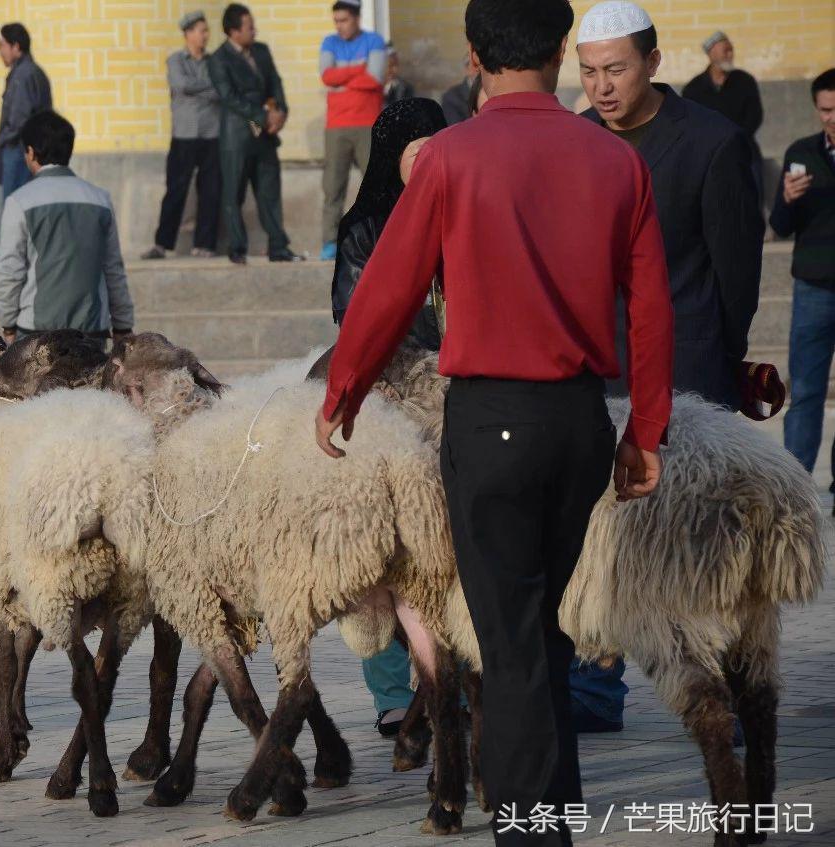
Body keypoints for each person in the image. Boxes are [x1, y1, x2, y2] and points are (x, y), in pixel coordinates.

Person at [315, 1, 673, 843]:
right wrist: (644, 430)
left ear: (473, 55)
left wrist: (344, 390)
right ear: (560, 50)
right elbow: (651, 310)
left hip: (488, 422)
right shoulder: (614, 159)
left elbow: (389, 286)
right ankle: (549, 817)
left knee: (507, 645)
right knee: (546, 640)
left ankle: (526, 829)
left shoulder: (451, 157)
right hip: (580, 421)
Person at [574, 0, 763, 736]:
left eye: (615, 70)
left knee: (696, 541)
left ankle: (726, 686)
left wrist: (719, 365)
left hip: (687, 376)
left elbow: (735, 272)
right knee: (599, 539)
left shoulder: (711, 143)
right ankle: (592, 690)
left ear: (652, 63)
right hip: (594, 372)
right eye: (588, 73)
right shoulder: (574, 141)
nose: (601, 87)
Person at [328, 98, 448, 735]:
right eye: (417, 150)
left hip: (454, 395)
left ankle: (446, 679)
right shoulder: (367, 224)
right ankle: (390, 693)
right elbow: (355, 315)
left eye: (438, 147)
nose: (430, 160)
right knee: (377, 553)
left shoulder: (463, 207)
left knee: (440, 553)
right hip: (390, 396)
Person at [0, 111, 134, 349]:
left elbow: (10, 270)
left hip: (36, 333)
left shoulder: (19, 201)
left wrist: (8, 324)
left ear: (30, 152)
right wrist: (123, 325)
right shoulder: (100, 199)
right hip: (92, 332)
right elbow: (113, 268)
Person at [774, 69, 835, 505]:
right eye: (826, 110)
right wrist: (788, 200)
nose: (832, 118)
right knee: (808, 390)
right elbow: (779, 226)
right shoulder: (801, 152)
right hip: (814, 288)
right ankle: (793, 490)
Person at [208, 3, 303, 265]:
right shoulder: (218, 59)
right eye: (249, 27)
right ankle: (238, 248)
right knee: (234, 193)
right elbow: (229, 97)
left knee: (270, 191)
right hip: (237, 138)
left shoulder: (261, 51)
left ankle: (279, 246)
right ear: (233, 31)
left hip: (266, 136)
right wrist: (262, 116)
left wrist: (281, 112)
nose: (254, 30)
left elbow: (275, 81)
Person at [141, 11, 222, 261]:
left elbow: (221, 91)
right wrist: (207, 89)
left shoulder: (215, 62)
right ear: (187, 34)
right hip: (184, 135)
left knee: (210, 191)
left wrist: (201, 89)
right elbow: (180, 85)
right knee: (176, 190)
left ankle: (205, 244)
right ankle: (162, 244)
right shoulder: (175, 60)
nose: (205, 35)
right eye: (200, 30)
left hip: (211, 134)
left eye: (206, 30)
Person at [0, 23, 52, 266]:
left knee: (15, 204)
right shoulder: (31, 72)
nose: (0, 51)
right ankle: (5, 251)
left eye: (2, 45)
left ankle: (10, 255)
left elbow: (18, 119)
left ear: (16, 47)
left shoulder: (24, 75)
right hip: (24, 147)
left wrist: (2, 140)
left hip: (18, 149)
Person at [318, 0, 386, 261]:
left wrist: (342, 77)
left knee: (375, 186)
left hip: (367, 123)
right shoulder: (329, 43)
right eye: (336, 21)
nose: (339, 26)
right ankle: (329, 242)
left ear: (357, 18)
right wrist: (359, 68)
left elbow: (375, 77)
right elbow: (326, 75)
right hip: (336, 126)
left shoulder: (375, 41)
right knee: (333, 187)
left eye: (344, 20)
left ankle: (380, 239)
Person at [683, 31, 763, 188]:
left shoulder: (745, 81)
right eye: (725, 50)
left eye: (731, 50)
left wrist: (735, 141)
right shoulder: (693, 89)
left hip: (743, 151)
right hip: (708, 156)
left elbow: (755, 116)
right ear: (711, 53)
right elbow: (691, 125)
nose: (730, 54)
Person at [440, 53, 481, 125]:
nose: (480, 69)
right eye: (476, 65)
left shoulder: (492, 91)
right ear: (467, 69)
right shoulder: (451, 97)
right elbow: (455, 127)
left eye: (482, 65)